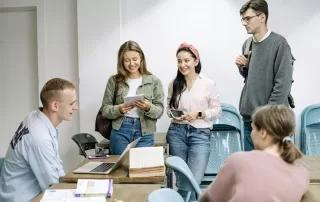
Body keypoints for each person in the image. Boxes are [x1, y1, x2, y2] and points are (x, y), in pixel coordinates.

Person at [198, 105, 309, 202]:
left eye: (252, 129)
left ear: (263, 132)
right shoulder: (302, 173)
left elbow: (208, 200)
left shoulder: (239, 161)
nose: (251, 134)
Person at [0, 78, 79, 201]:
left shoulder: (35, 116)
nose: (76, 107)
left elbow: (55, 169)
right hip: (24, 198)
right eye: (71, 103)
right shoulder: (39, 137)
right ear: (55, 105)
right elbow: (54, 187)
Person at [235, 0, 295, 151]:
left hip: (271, 121)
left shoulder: (280, 44)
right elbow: (252, 77)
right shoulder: (247, 43)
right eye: (243, 19)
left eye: (247, 18)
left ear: (262, 17)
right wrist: (242, 67)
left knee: (275, 170)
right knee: (252, 170)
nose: (244, 23)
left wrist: (266, 116)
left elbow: (283, 84)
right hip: (249, 119)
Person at [166, 42, 221, 200]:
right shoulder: (174, 84)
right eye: (179, 61)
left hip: (200, 134)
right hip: (177, 133)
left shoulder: (208, 84)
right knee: (183, 178)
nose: (182, 65)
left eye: (186, 60)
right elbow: (168, 109)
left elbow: (217, 111)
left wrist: (199, 113)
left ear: (196, 61)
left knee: (194, 178)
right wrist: (175, 114)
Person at [102, 40, 164, 155]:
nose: (131, 64)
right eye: (127, 60)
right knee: (119, 170)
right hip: (120, 130)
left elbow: (160, 111)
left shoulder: (154, 81)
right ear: (121, 62)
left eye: (135, 59)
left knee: (142, 169)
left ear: (141, 58)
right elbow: (105, 110)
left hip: (145, 132)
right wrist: (119, 109)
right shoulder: (114, 81)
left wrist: (148, 108)